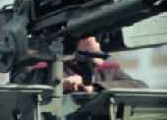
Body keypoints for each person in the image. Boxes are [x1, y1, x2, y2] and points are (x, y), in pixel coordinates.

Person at [13, 36, 147, 93]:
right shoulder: (47, 68)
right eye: (92, 53)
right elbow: (22, 89)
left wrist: (95, 87)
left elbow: (140, 86)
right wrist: (60, 86)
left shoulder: (107, 69)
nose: (100, 57)